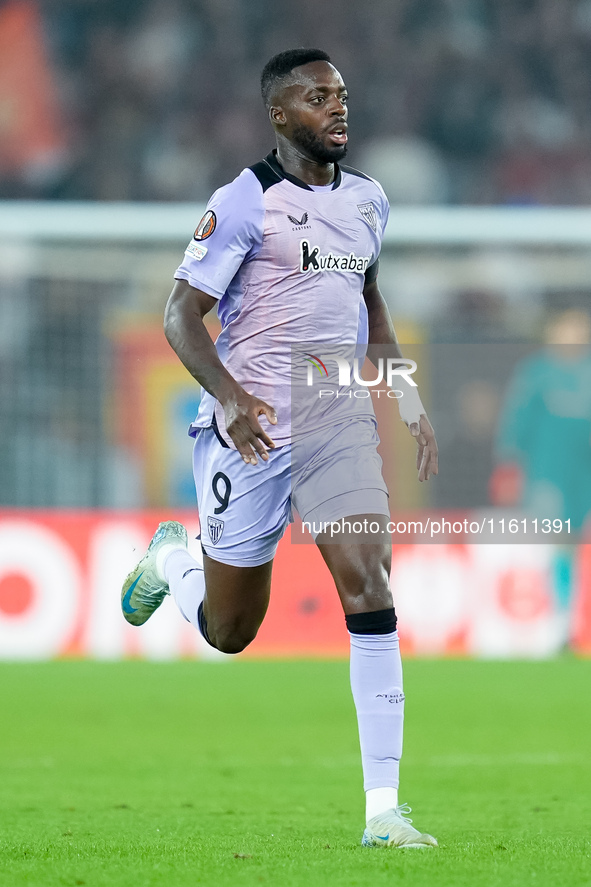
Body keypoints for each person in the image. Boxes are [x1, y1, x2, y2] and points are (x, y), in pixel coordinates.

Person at [121, 48, 438, 849]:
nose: (337, 109)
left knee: (368, 581)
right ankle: (173, 560)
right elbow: (178, 316)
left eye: (341, 95)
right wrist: (231, 396)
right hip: (251, 430)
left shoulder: (368, 200)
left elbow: (369, 299)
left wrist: (401, 388)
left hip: (334, 417)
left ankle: (383, 811)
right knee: (231, 632)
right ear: (279, 114)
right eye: (317, 97)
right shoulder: (244, 200)